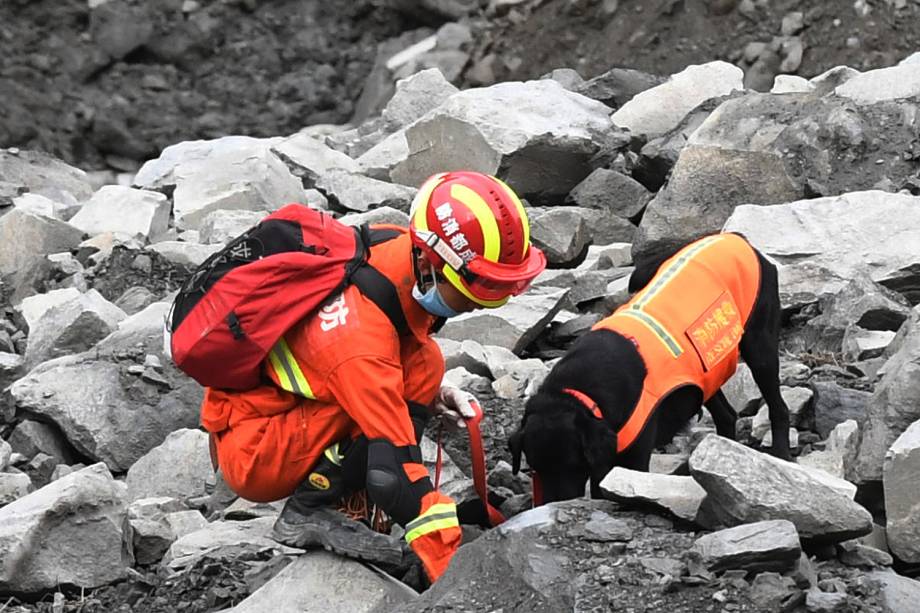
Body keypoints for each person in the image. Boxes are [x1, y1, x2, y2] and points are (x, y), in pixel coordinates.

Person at [199, 171, 547, 583]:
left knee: (426, 364)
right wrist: (456, 575)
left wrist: (432, 394)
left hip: (293, 405)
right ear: (429, 259)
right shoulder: (359, 344)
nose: (482, 305)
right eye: (473, 290)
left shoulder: (396, 247)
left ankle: (348, 493)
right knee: (391, 452)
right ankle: (311, 507)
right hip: (256, 449)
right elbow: (394, 477)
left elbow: (395, 359)